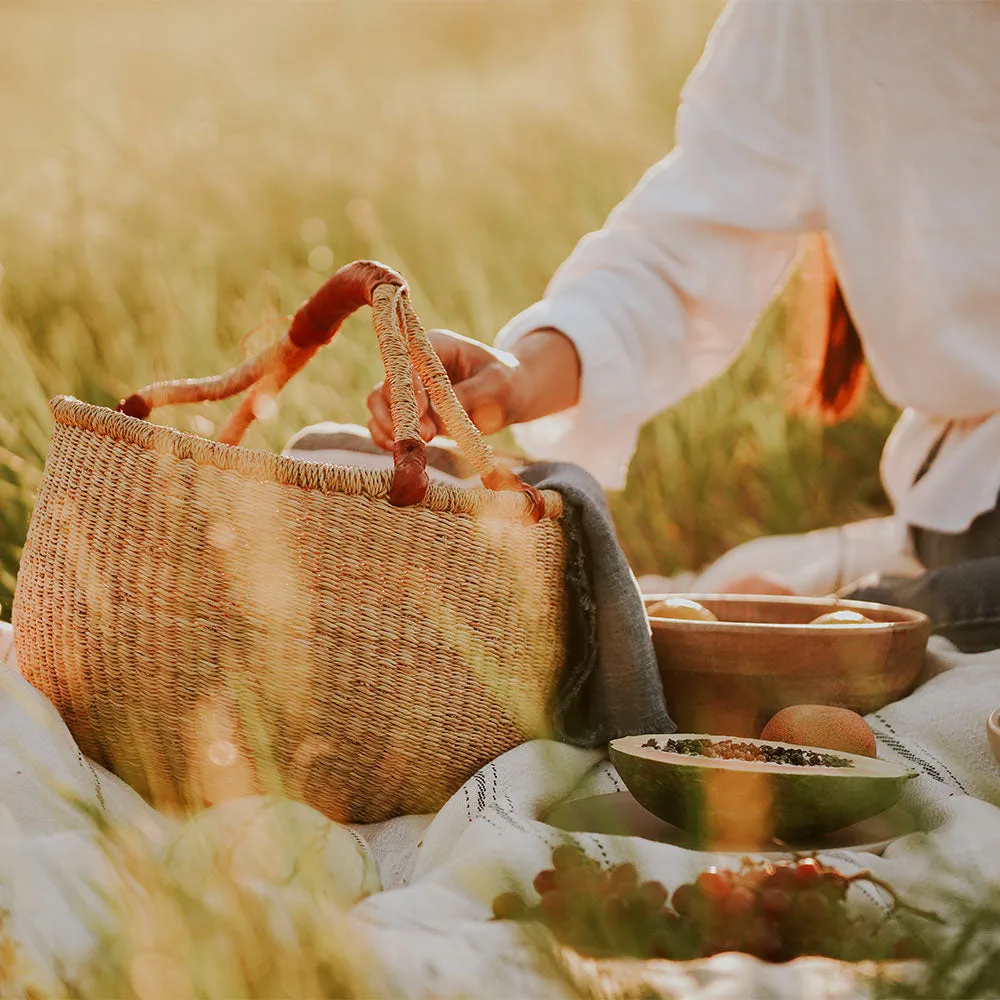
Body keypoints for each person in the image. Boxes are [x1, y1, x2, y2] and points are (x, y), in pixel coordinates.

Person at [367, 0, 1000, 652]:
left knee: (798, 638)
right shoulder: (825, 16)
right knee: (730, 603)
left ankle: (846, 620)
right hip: (967, 511)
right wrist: (523, 375)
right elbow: (679, 253)